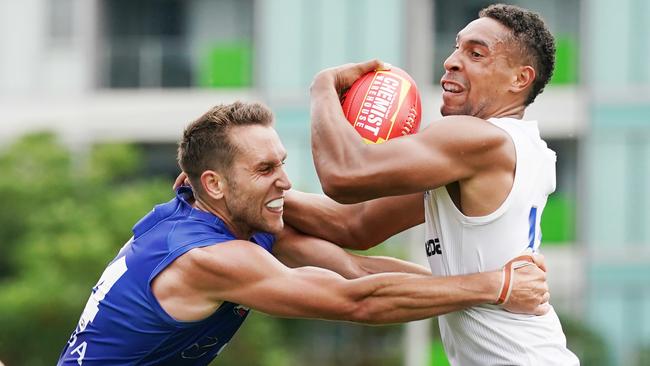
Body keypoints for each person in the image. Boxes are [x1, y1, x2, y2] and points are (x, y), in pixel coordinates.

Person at [58, 101, 549, 365]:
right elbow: (358, 301)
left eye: (282, 164)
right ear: (214, 183)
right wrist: (495, 286)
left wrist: (487, 285)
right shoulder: (208, 258)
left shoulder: (230, 220)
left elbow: (355, 267)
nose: (286, 183)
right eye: (265, 169)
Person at [284, 4, 579, 366]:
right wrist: (251, 196)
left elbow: (343, 175)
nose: (451, 61)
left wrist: (323, 88)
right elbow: (354, 224)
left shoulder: (477, 139)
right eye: (456, 47)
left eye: (476, 53)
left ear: (519, 79)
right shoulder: (507, 150)